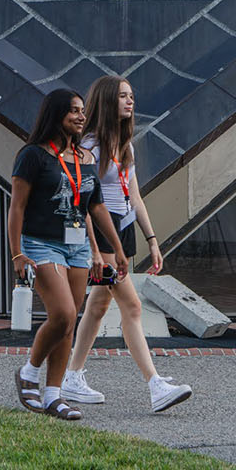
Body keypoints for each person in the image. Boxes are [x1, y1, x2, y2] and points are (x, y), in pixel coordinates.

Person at [62, 76, 192, 412]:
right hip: (103, 235)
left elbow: (133, 196)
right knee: (132, 307)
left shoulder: (126, 144)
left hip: (124, 230)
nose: (130, 101)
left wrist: (152, 240)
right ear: (107, 101)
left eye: (132, 96)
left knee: (99, 305)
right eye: (122, 96)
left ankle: (72, 376)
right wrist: (92, 249)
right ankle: (155, 385)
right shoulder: (89, 147)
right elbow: (84, 202)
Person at [8, 89, 129, 420]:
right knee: (61, 314)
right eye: (73, 111)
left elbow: (96, 207)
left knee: (68, 323)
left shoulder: (85, 160)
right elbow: (17, 206)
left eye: (82, 111)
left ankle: (53, 396)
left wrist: (114, 250)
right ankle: (29, 372)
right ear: (56, 114)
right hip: (39, 244)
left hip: (76, 247)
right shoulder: (33, 155)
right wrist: (17, 253)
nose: (80, 116)